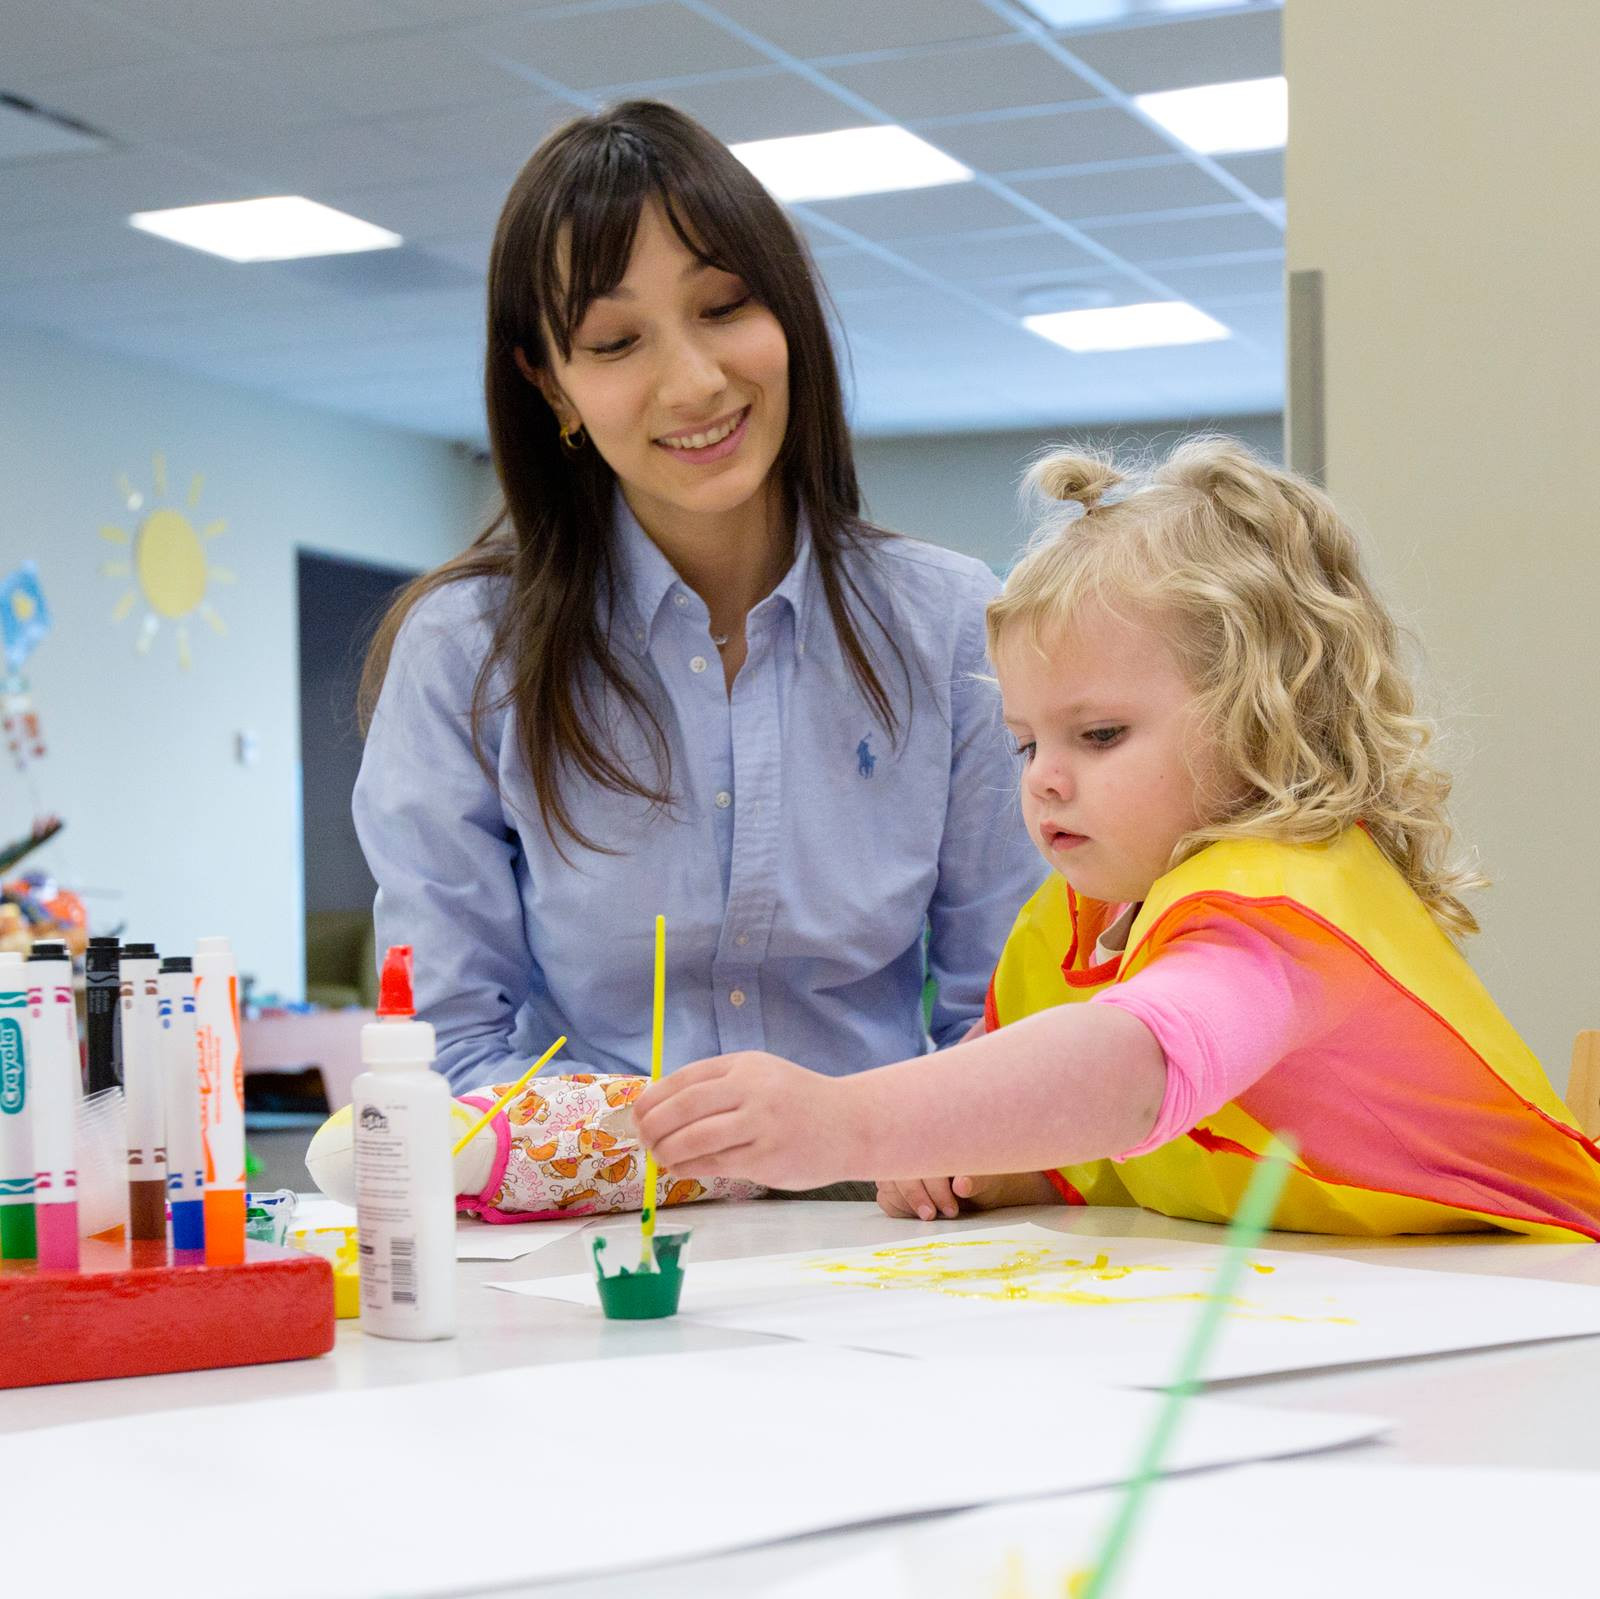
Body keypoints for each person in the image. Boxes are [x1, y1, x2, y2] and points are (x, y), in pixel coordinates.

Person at [634, 436, 1600, 1240]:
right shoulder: (1080, 921)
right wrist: (978, 1162)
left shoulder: (1281, 910)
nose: (1045, 776)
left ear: (1261, 722)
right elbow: (1073, 1128)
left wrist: (847, 1122)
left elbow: (1137, 1071)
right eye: (1026, 742)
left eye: (1099, 735)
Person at [354, 101, 1040, 1093]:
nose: (693, 382)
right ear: (549, 385)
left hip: (889, 1217)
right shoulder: (467, 652)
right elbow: (445, 1055)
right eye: (615, 342)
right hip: (588, 1219)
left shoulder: (946, 623)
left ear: (787, 313)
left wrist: (868, 1148)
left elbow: (1013, 1020)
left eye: (723, 308)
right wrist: (674, 1159)